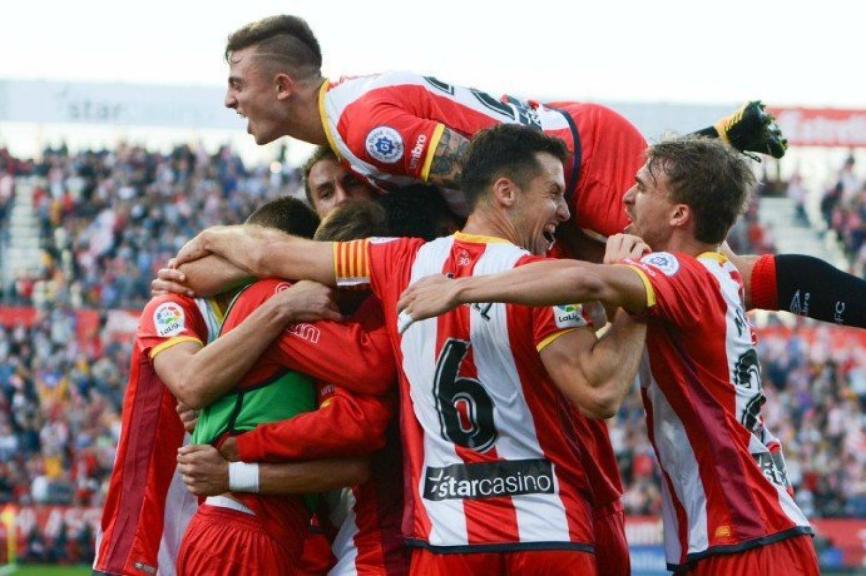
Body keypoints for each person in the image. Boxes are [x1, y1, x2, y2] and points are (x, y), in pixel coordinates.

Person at [216, 14, 866, 417]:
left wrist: (462, 273)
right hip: (574, 157)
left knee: (713, 281)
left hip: (577, 159)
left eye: (239, 82)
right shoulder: (351, 117)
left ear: (284, 85)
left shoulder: (357, 125)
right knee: (670, 282)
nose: (229, 99)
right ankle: (708, 146)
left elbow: (488, 170)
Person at [171, 125, 650, 575]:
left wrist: (208, 240)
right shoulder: (546, 279)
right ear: (505, 192)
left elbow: (268, 254)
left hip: (445, 539)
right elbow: (599, 391)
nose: (565, 211)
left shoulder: (396, 260)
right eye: (554, 193)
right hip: (545, 531)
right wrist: (637, 301)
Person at [396, 136, 819, 574]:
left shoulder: (681, 272)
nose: (626, 196)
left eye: (643, 187)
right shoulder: (718, 275)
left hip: (745, 533)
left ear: (679, 214)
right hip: (737, 530)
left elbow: (591, 284)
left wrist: (459, 289)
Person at [94, 198, 342, 576]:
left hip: (225, 536)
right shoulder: (177, 307)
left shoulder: (287, 331)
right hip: (148, 545)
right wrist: (283, 307)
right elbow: (191, 383)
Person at [169, 202, 396, 575]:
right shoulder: (280, 298)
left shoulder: (271, 304)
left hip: (252, 529)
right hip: (242, 535)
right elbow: (369, 367)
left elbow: (351, 464)